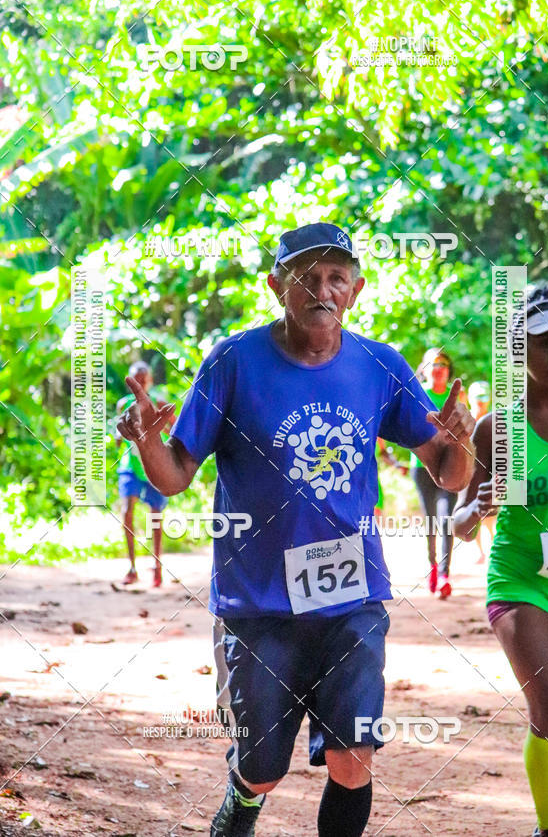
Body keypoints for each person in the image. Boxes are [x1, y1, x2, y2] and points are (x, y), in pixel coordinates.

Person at [117, 222, 476, 837]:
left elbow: (446, 471)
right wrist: (149, 440)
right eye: (306, 276)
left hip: (352, 595)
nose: (322, 289)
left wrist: (461, 440)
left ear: (356, 290)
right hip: (257, 601)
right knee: (262, 768)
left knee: (353, 754)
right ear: (275, 284)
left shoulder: (377, 365)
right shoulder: (233, 362)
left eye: (336, 277)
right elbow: (175, 474)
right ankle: (243, 802)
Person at [453, 278, 548, 837]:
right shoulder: (502, 428)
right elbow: (462, 523)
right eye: (545, 341)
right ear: (521, 349)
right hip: (522, 582)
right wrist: (477, 510)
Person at [116, 361, 175, 587]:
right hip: (130, 465)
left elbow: (174, 430)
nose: (139, 383)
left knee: (155, 515)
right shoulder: (124, 405)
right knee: (126, 512)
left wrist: (157, 428)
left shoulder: (159, 403)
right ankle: (132, 568)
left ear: (149, 381)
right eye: (135, 380)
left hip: (153, 466)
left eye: (143, 379)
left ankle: (157, 566)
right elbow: (119, 437)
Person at [410, 347, 459, 598]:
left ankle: (444, 575)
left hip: (450, 468)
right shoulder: (417, 394)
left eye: (443, 365)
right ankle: (432, 565)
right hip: (422, 468)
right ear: (424, 371)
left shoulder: (456, 397)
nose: (439, 370)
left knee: (446, 520)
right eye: (433, 365)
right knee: (431, 522)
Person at [467, 381, 495, 563]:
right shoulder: (466, 419)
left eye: (484, 397)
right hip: (470, 473)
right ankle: (480, 551)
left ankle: (493, 545)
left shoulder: (494, 420)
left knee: (491, 515)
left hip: (491, 471)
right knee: (474, 511)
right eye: (478, 397)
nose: (481, 401)